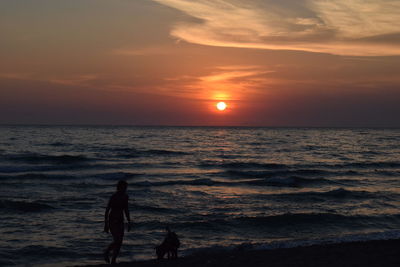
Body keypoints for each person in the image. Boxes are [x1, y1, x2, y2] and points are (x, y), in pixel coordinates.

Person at [103, 180, 131, 264]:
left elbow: (126, 209)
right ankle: (107, 252)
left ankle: (113, 260)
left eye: (125, 188)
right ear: (119, 187)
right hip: (112, 220)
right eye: (123, 187)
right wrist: (106, 224)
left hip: (120, 221)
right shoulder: (114, 197)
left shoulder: (126, 197)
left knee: (120, 242)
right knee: (117, 240)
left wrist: (129, 221)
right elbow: (107, 210)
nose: (125, 189)